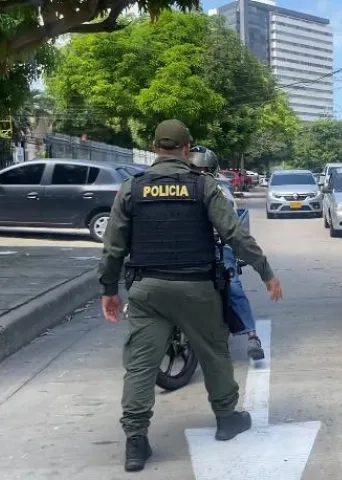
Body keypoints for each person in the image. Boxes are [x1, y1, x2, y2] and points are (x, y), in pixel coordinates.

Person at [97, 119, 283, 472]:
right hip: (197, 288)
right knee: (213, 353)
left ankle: (136, 441)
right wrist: (266, 271)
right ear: (187, 150)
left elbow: (113, 248)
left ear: (155, 148)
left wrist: (108, 290)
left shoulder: (132, 188)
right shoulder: (203, 186)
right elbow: (235, 235)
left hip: (147, 290)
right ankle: (227, 419)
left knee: (140, 365)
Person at [188, 145, 265, 360]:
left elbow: (230, 227)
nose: (199, 172)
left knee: (233, 285)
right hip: (185, 249)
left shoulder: (220, 191)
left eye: (203, 169)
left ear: (211, 170)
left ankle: (252, 335)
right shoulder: (179, 187)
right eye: (194, 168)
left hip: (217, 246)